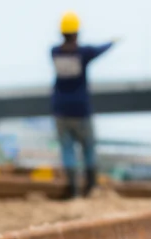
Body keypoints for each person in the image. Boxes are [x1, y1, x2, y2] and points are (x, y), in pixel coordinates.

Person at [50, 12, 114, 198]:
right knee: (88, 147)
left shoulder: (55, 52)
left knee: (67, 149)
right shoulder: (83, 53)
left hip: (61, 109)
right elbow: (98, 50)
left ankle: (73, 189)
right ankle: (91, 187)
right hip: (80, 109)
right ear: (77, 33)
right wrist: (112, 42)